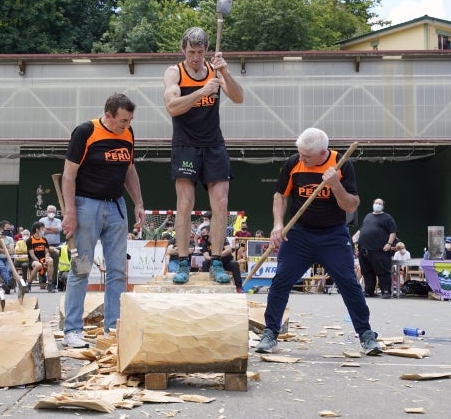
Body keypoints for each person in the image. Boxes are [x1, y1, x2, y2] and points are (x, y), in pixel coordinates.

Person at [255, 128, 382, 356]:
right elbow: (280, 196)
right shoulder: (293, 163)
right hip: (299, 234)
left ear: (323, 152)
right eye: (300, 154)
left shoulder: (341, 165)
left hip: (332, 235)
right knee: (281, 281)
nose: (302, 159)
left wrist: (335, 185)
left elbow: (351, 205)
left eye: (307, 156)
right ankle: (270, 333)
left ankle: (366, 334)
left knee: (348, 283)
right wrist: (277, 224)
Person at [60, 93, 145, 348]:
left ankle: (113, 328)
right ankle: (72, 330)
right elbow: (68, 175)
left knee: (118, 271)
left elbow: (130, 170)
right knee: (81, 269)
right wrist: (70, 211)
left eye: (129, 120)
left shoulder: (128, 135)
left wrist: (138, 203)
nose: (126, 125)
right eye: (122, 120)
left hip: (116, 207)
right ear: (108, 115)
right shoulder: (86, 132)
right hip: (87, 207)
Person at [163, 26, 244, 285]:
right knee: (185, 203)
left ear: (207, 50)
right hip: (186, 144)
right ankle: (184, 261)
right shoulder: (175, 72)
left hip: (213, 144)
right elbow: (172, 107)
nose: (196, 57)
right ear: (183, 50)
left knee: (221, 202)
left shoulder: (215, 70)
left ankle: (217, 261)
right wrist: (201, 92)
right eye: (191, 52)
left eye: (200, 52)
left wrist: (225, 73)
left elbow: (239, 98)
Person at [353, 198, 398, 298]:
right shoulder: (368, 216)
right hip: (364, 249)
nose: (377, 205)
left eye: (380, 203)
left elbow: (393, 232)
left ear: (383, 206)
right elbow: (363, 229)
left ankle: (385, 291)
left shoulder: (387, 218)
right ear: (373, 204)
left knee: (383, 271)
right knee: (367, 271)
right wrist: (356, 236)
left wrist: (389, 244)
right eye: (376, 203)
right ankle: (369, 291)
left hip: (379, 250)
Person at [38, 205, 63, 291]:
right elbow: (41, 231)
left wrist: (47, 229)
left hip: (56, 246)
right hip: (43, 245)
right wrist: (53, 230)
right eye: (49, 211)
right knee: (42, 263)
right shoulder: (42, 220)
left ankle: (53, 283)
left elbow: (58, 230)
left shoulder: (58, 220)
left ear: (55, 213)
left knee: (55, 265)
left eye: (53, 211)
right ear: (46, 212)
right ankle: (42, 282)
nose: (51, 213)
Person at [0, 220, 16, 294]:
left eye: (9, 229)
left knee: (9, 269)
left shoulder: (10, 239)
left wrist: (0, 249)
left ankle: (7, 286)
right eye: (7, 228)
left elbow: (11, 251)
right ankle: (9, 282)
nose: (9, 230)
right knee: (2, 267)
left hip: (8, 258)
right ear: (1, 228)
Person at [24, 222, 50, 292]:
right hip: (33, 261)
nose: (43, 230)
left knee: (51, 261)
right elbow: (32, 255)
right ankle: (28, 284)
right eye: (42, 228)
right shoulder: (30, 240)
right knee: (38, 265)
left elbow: (47, 252)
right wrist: (41, 263)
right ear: (37, 229)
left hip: (43, 259)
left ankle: (51, 284)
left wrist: (47, 257)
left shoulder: (44, 240)